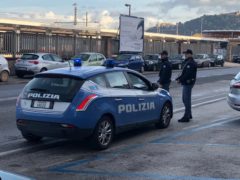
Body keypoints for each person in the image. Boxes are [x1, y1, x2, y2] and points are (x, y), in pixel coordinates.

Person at [176, 49, 197, 122]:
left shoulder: (190, 63)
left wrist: (180, 80)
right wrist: (179, 78)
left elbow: (187, 74)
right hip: (187, 82)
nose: (185, 55)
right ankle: (189, 114)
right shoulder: (188, 62)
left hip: (188, 83)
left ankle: (186, 116)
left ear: (190, 54)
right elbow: (184, 73)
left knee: (186, 99)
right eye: (185, 54)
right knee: (186, 99)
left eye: (186, 54)